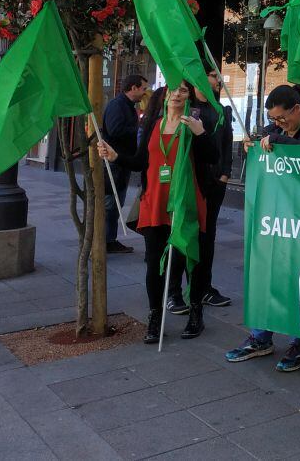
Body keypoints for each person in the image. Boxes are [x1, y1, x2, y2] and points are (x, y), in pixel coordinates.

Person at [226, 84, 300, 371]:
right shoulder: (275, 129)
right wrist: (253, 145)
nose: (277, 124)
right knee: (268, 275)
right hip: (276, 218)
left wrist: (280, 141)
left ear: (297, 109)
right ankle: (259, 337)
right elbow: (264, 142)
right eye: (273, 120)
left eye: (281, 119)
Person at [98, 80, 217, 343]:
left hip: (186, 201)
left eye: (183, 91)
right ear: (163, 95)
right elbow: (141, 162)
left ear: (189, 97)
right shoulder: (152, 124)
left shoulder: (194, 124)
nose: (176, 94)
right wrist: (115, 156)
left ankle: (195, 312)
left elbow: (212, 157)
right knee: (154, 264)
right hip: (156, 202)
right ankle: (154, 315)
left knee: (191, 259)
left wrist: (200, 134)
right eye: (172, 89)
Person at [167, 68, 233, 314]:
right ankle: (173, 292)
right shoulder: (187, 109)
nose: (219, 80)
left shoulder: (221, 110)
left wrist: (225, 173)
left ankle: (203, 287)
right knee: (182, 237)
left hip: (214, 184)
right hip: (189, 183)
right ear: (200, 79)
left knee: (207, 238)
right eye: (214, 75)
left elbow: (227, 143)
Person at [101, 74, 147, 254]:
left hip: (122, 161)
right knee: (111, 202)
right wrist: (138, 129)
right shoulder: (117, 105)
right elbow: (114, 130)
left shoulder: (127, 106)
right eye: (143, 88)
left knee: (115, 201)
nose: (144, 92)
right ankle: (106, 240)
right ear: (133, 88)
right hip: (114, 162)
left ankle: (109, 239)